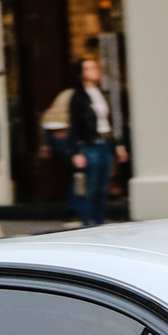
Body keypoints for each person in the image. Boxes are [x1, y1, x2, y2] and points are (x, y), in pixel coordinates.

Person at [38, 56, 125, 227]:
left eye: (95, 67)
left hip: (104, 142)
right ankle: (87, 222)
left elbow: (109, 122)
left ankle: (99, 221)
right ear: (81, 74)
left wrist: (118, 145)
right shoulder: (75, 96)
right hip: (89, 144)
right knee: (88, 187)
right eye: (89, 68)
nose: (95, 71)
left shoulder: (102, 94)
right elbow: (73, 124)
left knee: (102, 186)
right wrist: (75, 151)